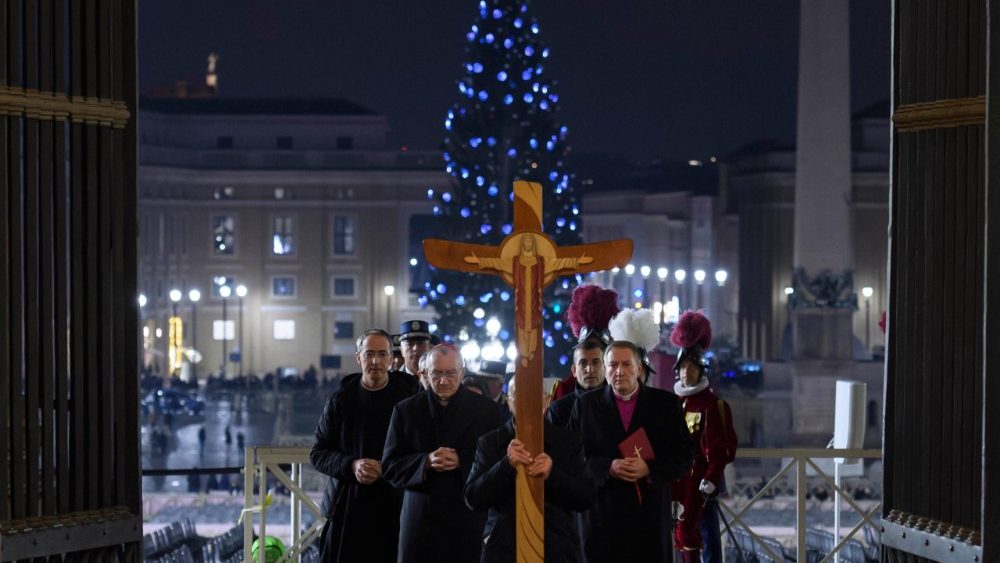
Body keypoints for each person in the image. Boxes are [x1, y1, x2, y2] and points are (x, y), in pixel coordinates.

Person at [569, 309, 693, 563]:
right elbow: (570, 457)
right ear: (605, 368)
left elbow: (685, 455)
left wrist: (650, 469)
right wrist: (608, 467)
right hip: (601, 517)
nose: (619, 371)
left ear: (638, 369)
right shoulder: (585, 406)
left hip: (648, 517)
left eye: (626, 365)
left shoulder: (666, 405)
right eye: (613, 365)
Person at [381, 344, 507, 562]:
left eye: (450, 373)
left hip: (467, 518)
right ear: (425, 374)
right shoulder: (406, 410)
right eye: (437, 373)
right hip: (420, 521)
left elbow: (500, 465)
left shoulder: (488, 412)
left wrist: (463, 460)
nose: (444, 380)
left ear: (462, 372)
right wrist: (425, 462)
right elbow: (390, 467)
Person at [310, 329, 420, 562]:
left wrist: (388, 468)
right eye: (369, 354)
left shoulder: (410, 399)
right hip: (348, 507)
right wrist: (352, 465)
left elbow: (422, 452)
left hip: (396, 506)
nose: (376, 361)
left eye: (382, 354)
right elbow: (318, 453)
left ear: (392, 359)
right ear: (358, 358)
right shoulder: (341, 400)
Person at [464, 375, 596, 562]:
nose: (527, 400)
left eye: (534, 394)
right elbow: (473, 498)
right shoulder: (491, 442)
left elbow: (586, 497)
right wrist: (505, 465)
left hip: (555, 548)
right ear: (509, 402)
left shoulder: (568, 442)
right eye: (518, 394)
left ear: (547, 400)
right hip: (504, 548)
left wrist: (553, 474)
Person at [669, 312, 737, 563]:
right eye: (683, 367)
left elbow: (721, 449)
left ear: (701, 369)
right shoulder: (676, 403)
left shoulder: (712, 405)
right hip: (677, 481)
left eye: (692, 366)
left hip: (700, 485)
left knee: (701, 536)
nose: (686, 372)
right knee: (679, 535)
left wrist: (711, 479)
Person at [552, 284, 619, 402]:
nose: (589, 369)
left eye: (596, 361)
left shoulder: (621, 393)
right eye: (583, 362)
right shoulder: (563, 392)